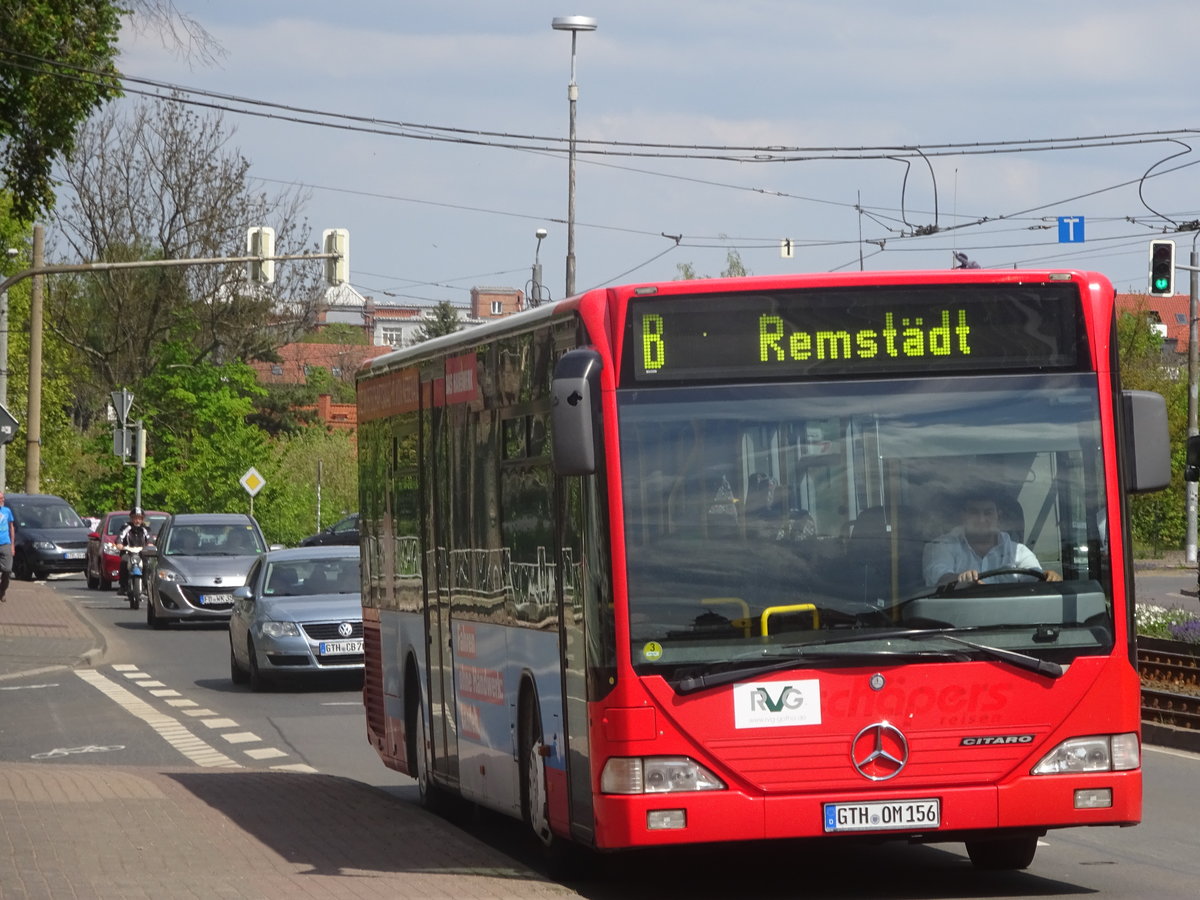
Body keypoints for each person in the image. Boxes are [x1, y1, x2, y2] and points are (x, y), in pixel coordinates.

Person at [923, 491, 1062, 587]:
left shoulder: (1019, 552)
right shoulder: (941, 546)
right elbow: (939, 577)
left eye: (988, 513)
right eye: (974, 512)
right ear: (963, 516)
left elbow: (1036, 580)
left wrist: (1049, 578)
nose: (982, 520)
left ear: (998, 516)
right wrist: (960, 581)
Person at [117, 507, 154, 598]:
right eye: (135, 518)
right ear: (131, 518)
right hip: (128, 552)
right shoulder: (126, 527)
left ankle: (145, 587)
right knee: (124, 561)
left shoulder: (145, 529)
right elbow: (120, 538)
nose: (137, 520)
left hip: (141, 553)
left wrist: (150, 544)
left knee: (147, 565)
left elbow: (150, 539)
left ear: (142, 519)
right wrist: (119, 544)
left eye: (139, 518)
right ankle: (123, 586)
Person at [0, 491, 13, 602]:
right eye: (0, 498)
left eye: (2, 498)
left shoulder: (7, 511)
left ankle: (2, 589)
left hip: (5, 543)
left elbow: (11, 527)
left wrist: (12, 544)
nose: (2, 500)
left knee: (7, 569)